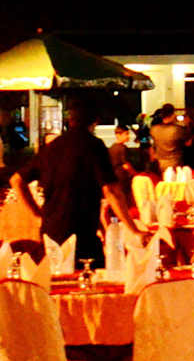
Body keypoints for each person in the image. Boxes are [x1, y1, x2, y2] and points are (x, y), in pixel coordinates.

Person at [18, 96, 142, 266]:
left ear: (70, 120)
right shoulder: (94, 146)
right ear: (95, 121)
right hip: (82, 230)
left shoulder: (53, 147)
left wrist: (36, 213)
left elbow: (16, 180)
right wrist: (133, 229)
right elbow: (111, 191)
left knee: (56, 277)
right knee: (92, 275)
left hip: (52, 231)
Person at [148, 105, 186, 175]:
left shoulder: (154, 129)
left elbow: (152, 146)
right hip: (175, 162)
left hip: (159, 163)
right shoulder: (177, 130)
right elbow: (187, 142)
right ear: (173, 114)